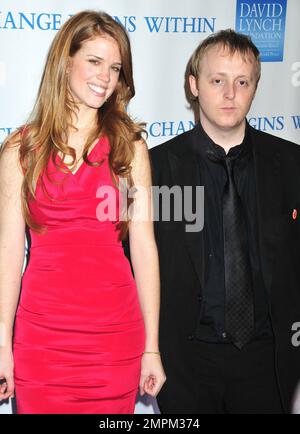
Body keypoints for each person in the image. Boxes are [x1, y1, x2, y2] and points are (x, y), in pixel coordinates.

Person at [0, 10, 165, 414]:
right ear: (66, 61)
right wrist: (2, 342)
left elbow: (144, 249)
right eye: (94, 62)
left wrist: (152, 347)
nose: (105, 78)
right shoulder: (19, 150)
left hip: (114, 337)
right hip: (41, 338)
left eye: (115, 68)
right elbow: (6, 252)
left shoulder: (130, 147)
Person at [150, 29, 300, 414]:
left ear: (255, 88)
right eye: (217, 80)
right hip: (185, 363)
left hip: (268, 362)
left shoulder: (291, 164)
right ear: (194, 85)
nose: (230, 93)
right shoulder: (154, 168)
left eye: (242, 81)